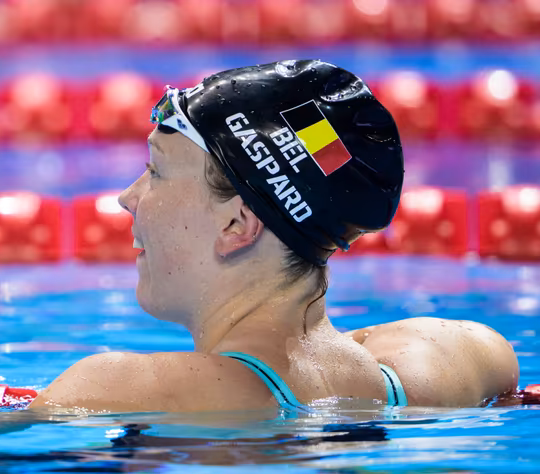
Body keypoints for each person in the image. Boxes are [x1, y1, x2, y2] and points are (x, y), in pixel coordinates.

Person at [28, 60, 519, 413]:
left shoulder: (120, 388)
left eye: (156, 171)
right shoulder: (463, 357)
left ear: (237, 225)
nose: (127, 197)